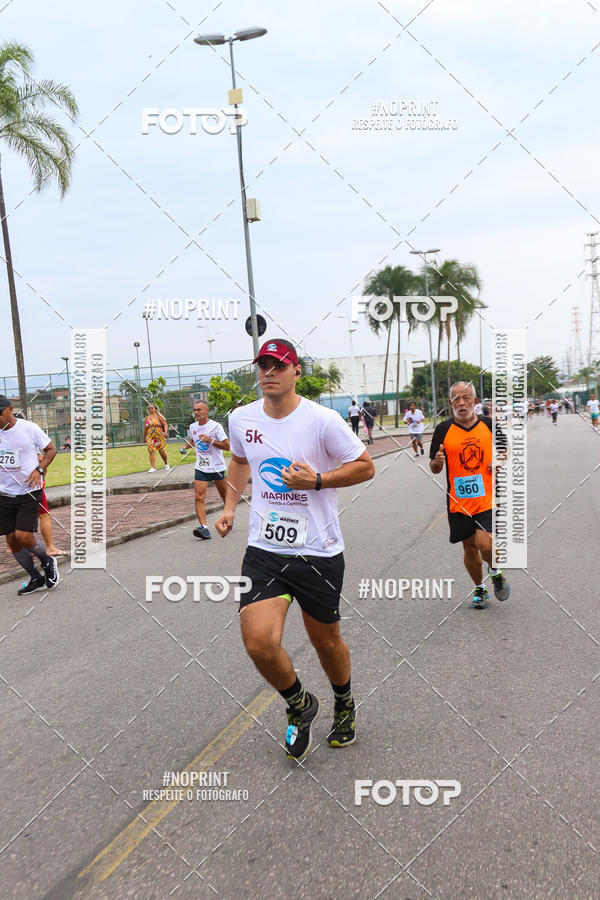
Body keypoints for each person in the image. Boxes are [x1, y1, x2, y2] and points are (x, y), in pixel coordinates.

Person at [215, 338, 374, 761]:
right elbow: (240, 460)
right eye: (263, 366)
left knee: (326, 642)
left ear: (295, 371)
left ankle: (343, 703)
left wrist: (317, 481)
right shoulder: (242, 418)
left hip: (319, 551)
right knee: (258, 642)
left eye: (278, 366)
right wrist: (230, 506)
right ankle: (300, 704)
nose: (268, 373)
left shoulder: (322, 420)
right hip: (265, 550)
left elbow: (365, 466)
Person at [429, 381, 510, 609]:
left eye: (466, 398)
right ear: (450, 403)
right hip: (458, 502)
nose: (461, 402)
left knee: (485, 544)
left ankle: (495, 571)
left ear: (475, 401)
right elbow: (434, 468)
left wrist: (499, 461)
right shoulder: (443, 430)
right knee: (469, 548)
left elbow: (504, 449)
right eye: (456, 398)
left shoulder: (488, 424)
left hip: (487, 498)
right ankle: (480, 588)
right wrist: (437, 462)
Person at [0, 396, 60, 594]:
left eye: (0, 413)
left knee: (24, 536)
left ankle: (47, 560)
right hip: (4, 493)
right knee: (11, 540)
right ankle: (35, 577)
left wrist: (39, 470)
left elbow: (51, 449)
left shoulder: (28, 428)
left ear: (10, 409)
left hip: (28, 491)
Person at [180, 400, 230, 539]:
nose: (196, 413)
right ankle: (204, 528)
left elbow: (227, 446)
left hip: (217, 466)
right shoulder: (193, 426)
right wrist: (185, 448)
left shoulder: (216, 426)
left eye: (199, 410)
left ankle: (228, 517)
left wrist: (211, 440)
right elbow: (193, 441)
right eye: (195, 410)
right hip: (201, 467)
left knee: (224, 495)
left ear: (206, 411)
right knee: (198, 497)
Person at [144, 404, 170, 472]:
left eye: (152, 408)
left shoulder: (159, 416)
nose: (150, 409)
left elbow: (165, 423)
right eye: (149, 408)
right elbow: (145, 428)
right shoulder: (147, 418)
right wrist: (144, 437)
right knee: (151, 450)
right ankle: (153, 467)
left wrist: (166, 432)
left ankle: (166, 463)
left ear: (155, 408)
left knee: (161, 451)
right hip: (150, 436)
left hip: (159, 435)